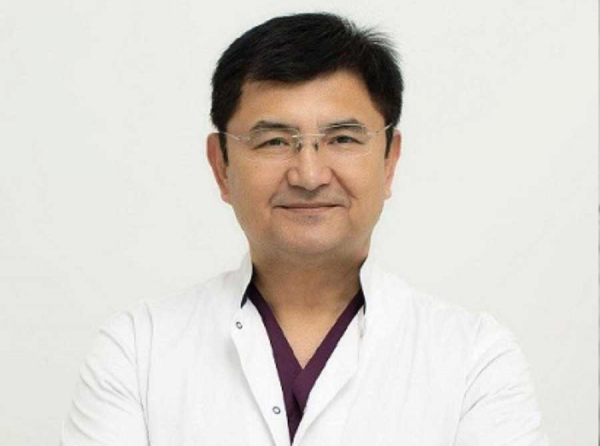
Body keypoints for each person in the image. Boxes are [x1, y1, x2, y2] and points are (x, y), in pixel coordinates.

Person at [61, 12, 548, 446]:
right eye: (275, 141)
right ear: (221, 166)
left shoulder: (474, 360)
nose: (309, 175)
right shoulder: (137, 352)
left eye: (342, 139)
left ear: (389, 160)